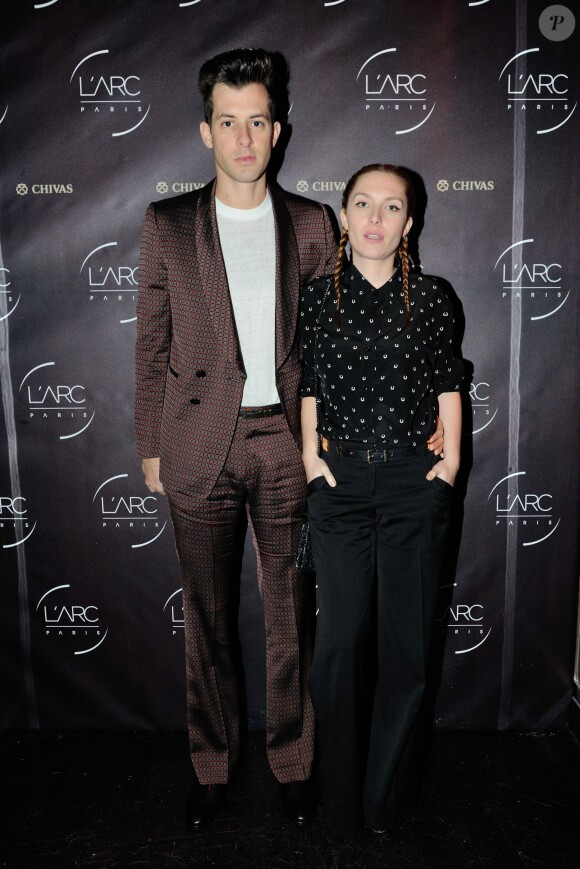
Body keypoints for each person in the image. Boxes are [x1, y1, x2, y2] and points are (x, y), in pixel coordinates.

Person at [134, 48, 338, 827]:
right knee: (209, 620)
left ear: (277, 130)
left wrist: (329, 442)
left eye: (257, 121)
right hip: (197, 442)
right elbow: (151, 343)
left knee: (291, 612)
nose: (244, 137)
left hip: (286, 442)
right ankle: (212, 764)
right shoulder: (168, 223)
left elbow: (329, 345)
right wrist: (150, 444)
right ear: (205, 131)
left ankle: (293, 761)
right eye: (229, 122)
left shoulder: (314, 223)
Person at [300, 163, 463, 834]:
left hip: (410, 485)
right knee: (338, 644)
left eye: (390, 207)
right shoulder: (317, 298)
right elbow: (308, 380)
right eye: (362, 203)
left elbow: (449, 381)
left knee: (405, 649)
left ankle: (385, 799)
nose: (374, 217)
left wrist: (451, 462)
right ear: (344, 217)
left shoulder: (431, 297)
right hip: (339, 485)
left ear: (409, 222)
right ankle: (337, 799)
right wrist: (310, 456)